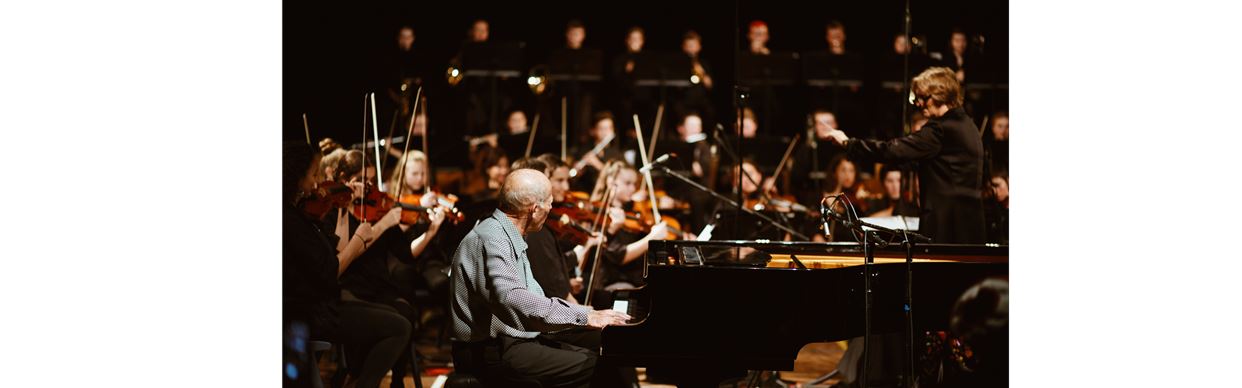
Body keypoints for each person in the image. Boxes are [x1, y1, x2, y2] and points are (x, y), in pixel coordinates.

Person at [448, 169, 633, 387]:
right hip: (490, 350)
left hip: (514, 339)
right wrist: (585, 316)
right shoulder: (493, 239)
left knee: (607, 350)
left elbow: (533, 299)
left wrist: (587, 314)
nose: (551, 210)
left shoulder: (507, 233)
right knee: (599, 368)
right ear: (534, 209)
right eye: (549, 203)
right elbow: (511, 297)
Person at [284, 141, 410, 388]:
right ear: (297, 177)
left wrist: (340, 209)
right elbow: (332, 270)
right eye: (314, 174)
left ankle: (354, 378)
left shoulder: (300, 213)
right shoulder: (290, 220)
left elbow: (338, 248)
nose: (318, 181)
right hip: (309, 312)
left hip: (322, 304)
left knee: (397, 316)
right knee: (399, 327)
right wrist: (361, 238)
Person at [823, 67, 986, 243]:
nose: (918, 103)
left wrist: (848, 143)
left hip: (947, 226)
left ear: (940, 95)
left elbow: (892, 151)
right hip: (970, 225)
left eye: (923, 97)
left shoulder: (940, 129)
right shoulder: (969, 125)